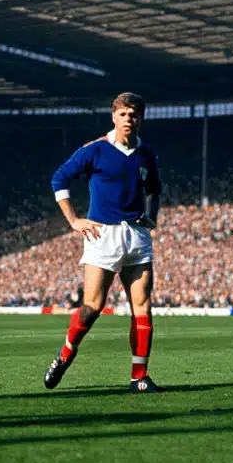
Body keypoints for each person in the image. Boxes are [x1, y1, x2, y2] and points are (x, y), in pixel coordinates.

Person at [43, 92, 163, 393]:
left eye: (134, 114)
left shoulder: (147, 154)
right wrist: (74, 220)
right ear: (114, 117)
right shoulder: (94, 150)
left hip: (136, 235)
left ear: (141, 119)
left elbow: (153, 189)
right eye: (123, 114)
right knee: (92, 307)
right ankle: (65, 354)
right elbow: (59, 179)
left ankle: (139, 377)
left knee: (143, 307)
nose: (128, 119)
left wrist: (152, 217)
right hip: (102, 235)